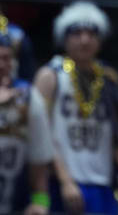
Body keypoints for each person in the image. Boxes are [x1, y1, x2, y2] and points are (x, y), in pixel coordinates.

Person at [34, 1, 118, 215]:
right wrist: (65, 181)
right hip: (62, 183)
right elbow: (40, 135)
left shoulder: (109, 79)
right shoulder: (50, 75)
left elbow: (116, 136)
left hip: (102, 184)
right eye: (77, 32)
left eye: (91, 33)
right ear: (64, 37)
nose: (85, 39)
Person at [0, 34, 53, 215]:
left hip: (13, 199)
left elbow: (39, 162)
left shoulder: (29, 97)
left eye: (5, 58)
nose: (0, 64)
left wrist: (41, 202)